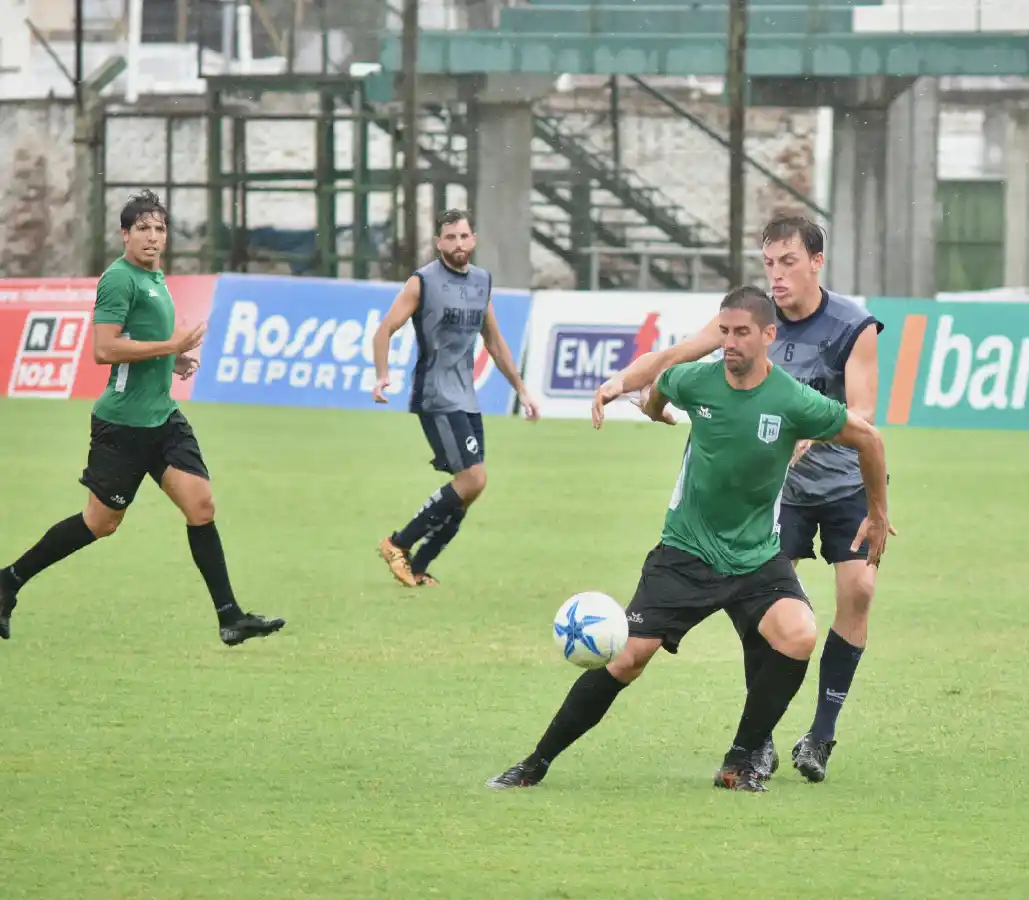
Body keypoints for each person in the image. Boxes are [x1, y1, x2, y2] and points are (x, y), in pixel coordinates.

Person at [488, 285, 891, 793]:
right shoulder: (697, 380)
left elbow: (869, 439)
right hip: (684, 553)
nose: (730, 343)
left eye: (742, 333)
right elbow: (662, 385)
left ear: (768, 335)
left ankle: (741, 759)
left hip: (754, 559)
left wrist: (877, 512)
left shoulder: (792, 399)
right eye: (724, 332)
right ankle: (534, 763)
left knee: (799, 634)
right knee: (627, 659)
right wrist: (651, 405)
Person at [591, 215, 890, 784]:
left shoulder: (854, 326)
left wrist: (811, 433)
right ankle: (760, 741)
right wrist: (621, 383)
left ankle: (821, 734)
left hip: (842, 480)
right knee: (769, 616)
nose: (776, 275)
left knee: (861, 589)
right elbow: (675, 357)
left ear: (816, 263)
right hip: (776, 493)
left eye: (788, 263)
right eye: (768, 263)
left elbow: (866, 414)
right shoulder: (749, 320)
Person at [0, 190, 286, 647]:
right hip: (124, 425)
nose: (153, 237)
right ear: (125, 235)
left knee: (201, 505)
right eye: (143, 229)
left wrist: (170, 364)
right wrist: (171, 347)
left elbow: (139, 340)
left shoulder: (155, 277)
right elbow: (104, 349)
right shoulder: (119, 279)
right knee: (100, 523)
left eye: (160, 228)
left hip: (162, 417)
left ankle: (230, 618)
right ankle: (9, 580)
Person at [372, 209, 540, 587]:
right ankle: (398, 543)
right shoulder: (423, 282)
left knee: (469, 488)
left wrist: (521, 389)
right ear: (438, 243)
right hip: (435, 395)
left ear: (474, 239)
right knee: (473, 478)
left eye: (464, 237)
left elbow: (494, 342)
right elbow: (384, 330)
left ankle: (417, 567)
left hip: (466, 397)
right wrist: (382, 375)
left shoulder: (482, 282)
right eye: (450, 238)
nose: (458, 244)